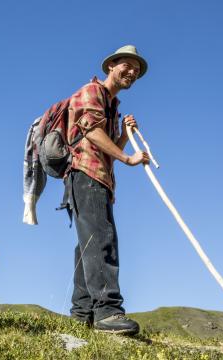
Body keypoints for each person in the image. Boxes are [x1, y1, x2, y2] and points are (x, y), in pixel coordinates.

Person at [65, 45, 150, 335]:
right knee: (102, 238)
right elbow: (90, 131)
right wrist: (128, 158)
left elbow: (107, 147)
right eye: (127, 66)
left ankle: (83, 314)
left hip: (96, 177)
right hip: (86, 174)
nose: (132, 73)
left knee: (88, 244)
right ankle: (108, 313)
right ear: (111, 65)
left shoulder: (111, 105)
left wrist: (124, 137)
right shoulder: (93, 91)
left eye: (137, 71)